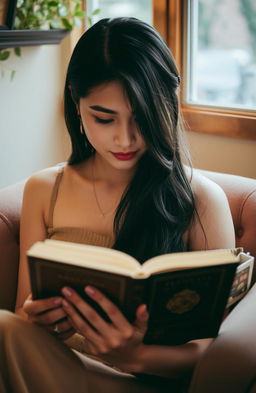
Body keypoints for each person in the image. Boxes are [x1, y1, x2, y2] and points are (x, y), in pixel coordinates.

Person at [0, 17, 235, 393]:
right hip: (50, 369)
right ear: (77, 106)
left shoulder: (202, 201)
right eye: (104, 118)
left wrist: (133, 356)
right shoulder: (45, 190)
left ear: (169, 106)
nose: (124, 139)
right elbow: (23, 319)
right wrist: (41, 318)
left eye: (142, 117)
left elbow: (215, 351)